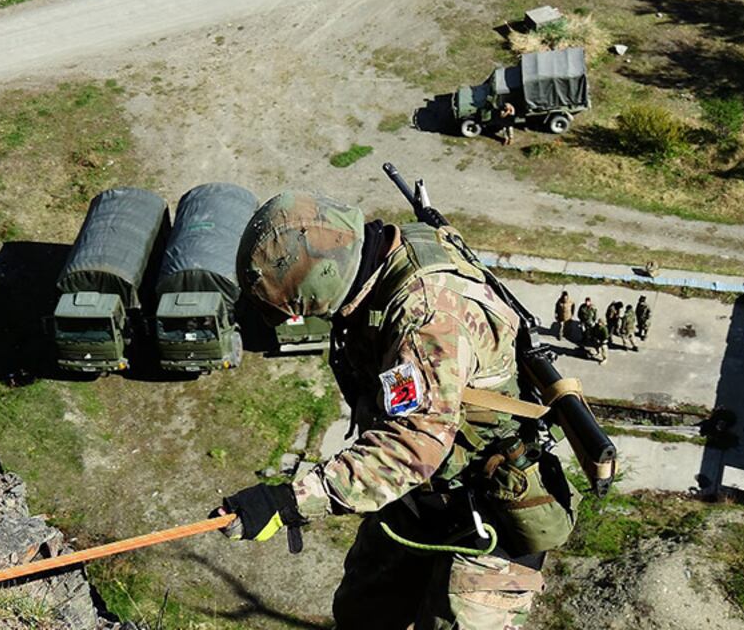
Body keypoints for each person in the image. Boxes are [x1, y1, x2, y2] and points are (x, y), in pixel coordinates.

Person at [216, 192, 578, 629]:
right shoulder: (383, 258)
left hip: (485, 517)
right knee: (363, 613)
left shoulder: (426, 317)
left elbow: (412, 444)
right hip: (421, 497)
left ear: (326, 277)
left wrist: (290, 501)